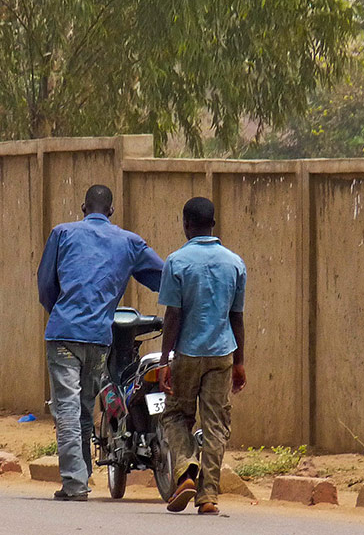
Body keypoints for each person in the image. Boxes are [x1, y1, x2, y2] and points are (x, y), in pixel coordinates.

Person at [37, 184, 164, 501]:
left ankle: (76, 483)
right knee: (82, 409)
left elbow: (45, 285)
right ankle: (81, 477)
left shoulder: (62, 233)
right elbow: (163, 277)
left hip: (63, 333)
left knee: (67, 409)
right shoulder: (129, 242)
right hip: (99, 338)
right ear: (111, 211)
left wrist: (63, 313)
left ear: (83, 208)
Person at [157, 196, 247, 515]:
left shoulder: (177, 262)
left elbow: (173, 315)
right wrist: (240, 362)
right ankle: (208, 495)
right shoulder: (235, 263)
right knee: (216, 424)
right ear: (213, 223)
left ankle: (186, 470)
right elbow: (237, 317)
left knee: (175, 416)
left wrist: (165, 360)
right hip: (222, 353)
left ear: (185, 224)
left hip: (187, 354)